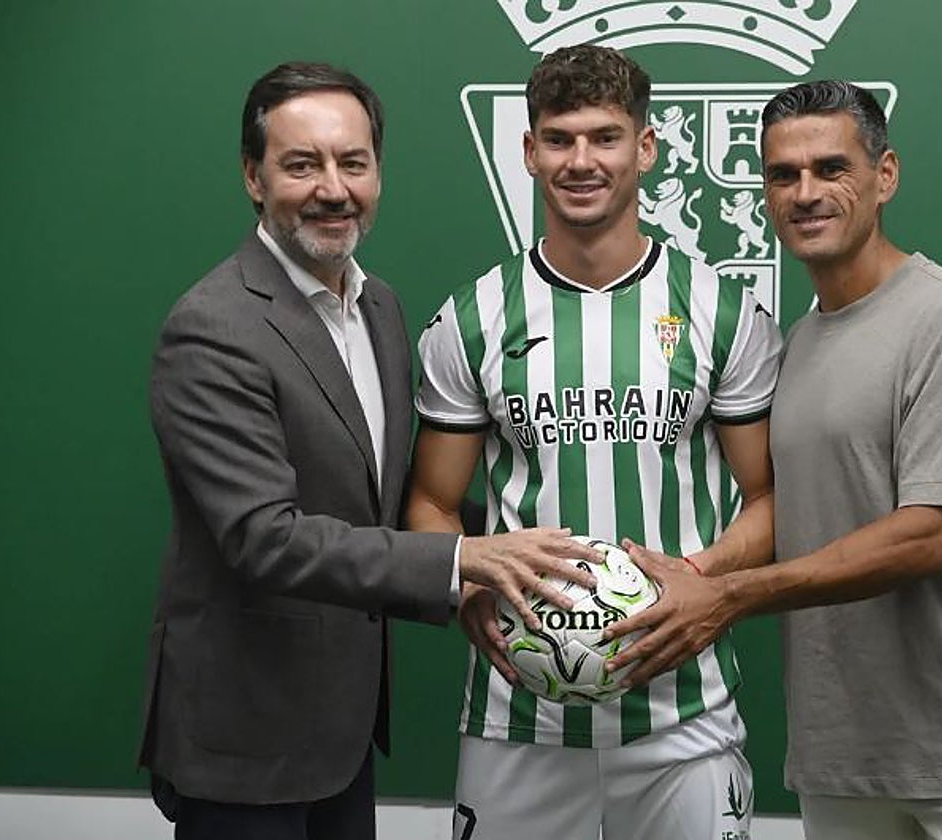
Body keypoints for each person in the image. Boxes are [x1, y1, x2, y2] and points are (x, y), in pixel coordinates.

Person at [138, 61, 599, 840]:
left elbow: (377, 499)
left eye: (353, 162)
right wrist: (466, 563)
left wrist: (549, 538)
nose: (332, 187)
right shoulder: (214, 328)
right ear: (254, 178)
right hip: (244, 743)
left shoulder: (377, 305)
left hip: (341, 734)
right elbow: (264, 538)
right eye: (301, 164)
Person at [605, 80, 942, 838]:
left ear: (884, 176)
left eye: (831, 169)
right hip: (843, 766)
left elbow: (929, 536)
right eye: (782, 175)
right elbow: (805, 508)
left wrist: (731, 598)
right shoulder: (800, 344)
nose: (805, 193)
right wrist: (698, 576)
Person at [406, 44, 782, 840]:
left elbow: (770, 498)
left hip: (685, 712)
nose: (582, 160)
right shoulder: (470, 319)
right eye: (561, 138)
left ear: (645, 148)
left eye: (606, 137)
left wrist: (698, 581)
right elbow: (433, 501)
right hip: (518, 715)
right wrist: (471, 584)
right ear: (529, 151)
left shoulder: (721, 312)